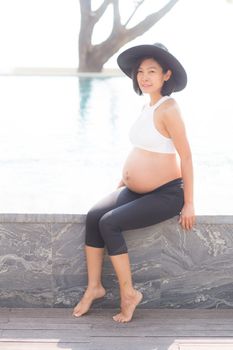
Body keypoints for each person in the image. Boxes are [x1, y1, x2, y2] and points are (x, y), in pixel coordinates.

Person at [73, 43, 195, 323]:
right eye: (140, 71)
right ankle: (95, 287)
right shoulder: (147, 106)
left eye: (152, 71)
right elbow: (144, 150)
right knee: (94, 215)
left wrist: (189, 202)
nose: (144, 76)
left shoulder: (169, 109)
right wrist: (122, 182)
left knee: (109, 223)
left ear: (167, 75)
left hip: (166, 194)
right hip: (135, 191)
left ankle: (129, 294)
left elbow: (186, 157)